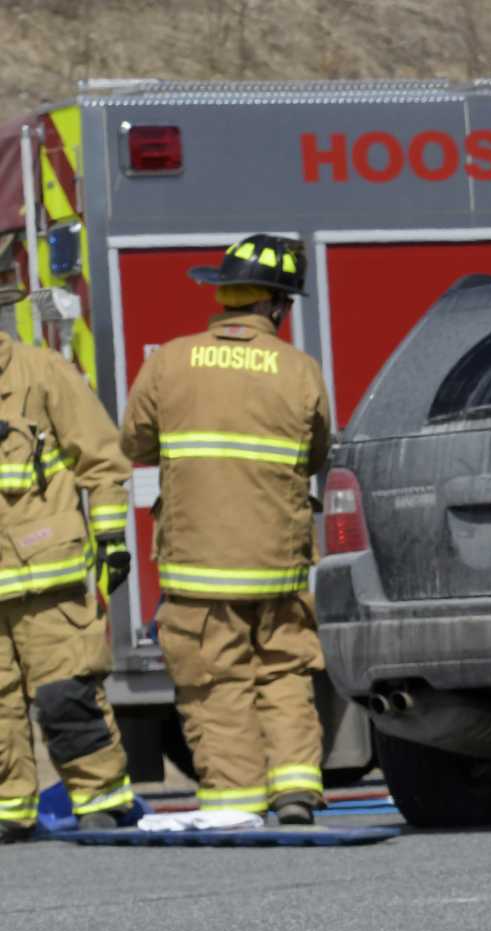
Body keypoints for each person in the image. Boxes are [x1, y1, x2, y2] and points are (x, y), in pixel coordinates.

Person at [121, 235, 333, 827]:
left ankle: (236, 802)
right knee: (285, 672)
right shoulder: (300, 369)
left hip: (199, 564)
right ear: (276, 305)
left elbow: (135, 442)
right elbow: (316, 454)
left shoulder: (171, 361)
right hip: (278, 564)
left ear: (224, 295)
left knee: (215, 679)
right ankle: (296, 789)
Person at [0, 329, 135, 837]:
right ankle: (9, 811)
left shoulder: (43, 372)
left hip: (46, 578)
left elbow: (101, 459)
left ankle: (99, 798)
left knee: (66, 696)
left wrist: (110, 537)